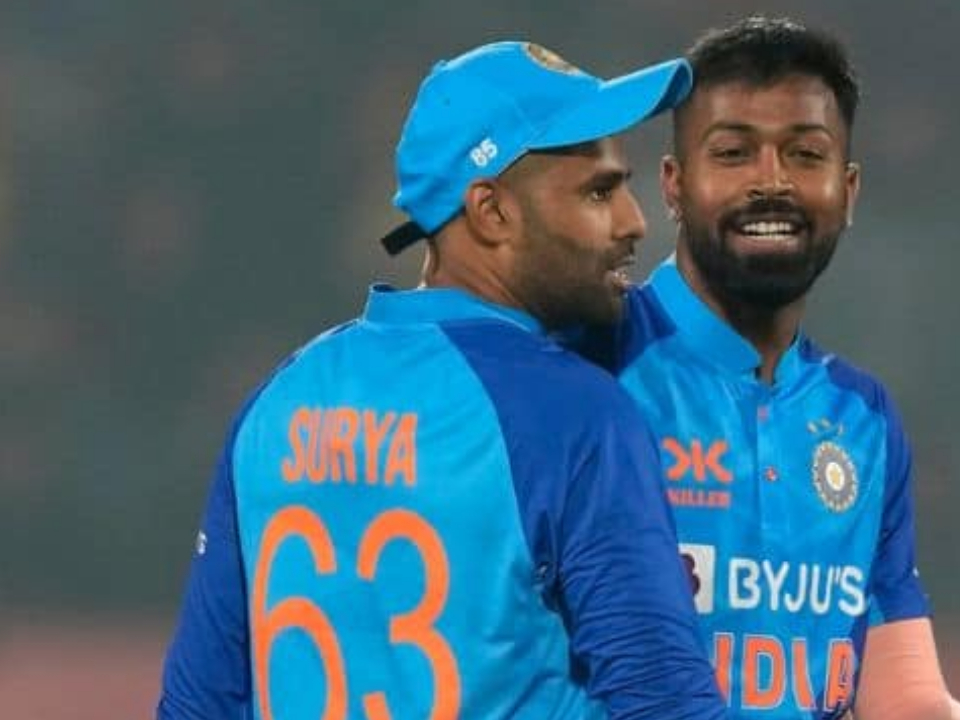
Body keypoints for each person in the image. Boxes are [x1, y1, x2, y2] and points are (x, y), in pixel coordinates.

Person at [156, 40, 727, 720]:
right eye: (599, 191)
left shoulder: (277, 402)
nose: (635, 222)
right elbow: (663, 706)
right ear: (491, 211)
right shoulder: (572, 415)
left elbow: (198, 704)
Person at [576, 17, 960, 719]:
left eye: (805, 154)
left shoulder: (862, 418)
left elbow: (906, 702)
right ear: (673, 185)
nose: (771, 182)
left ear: (848, 189)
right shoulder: (588, 368)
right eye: (734, 153)